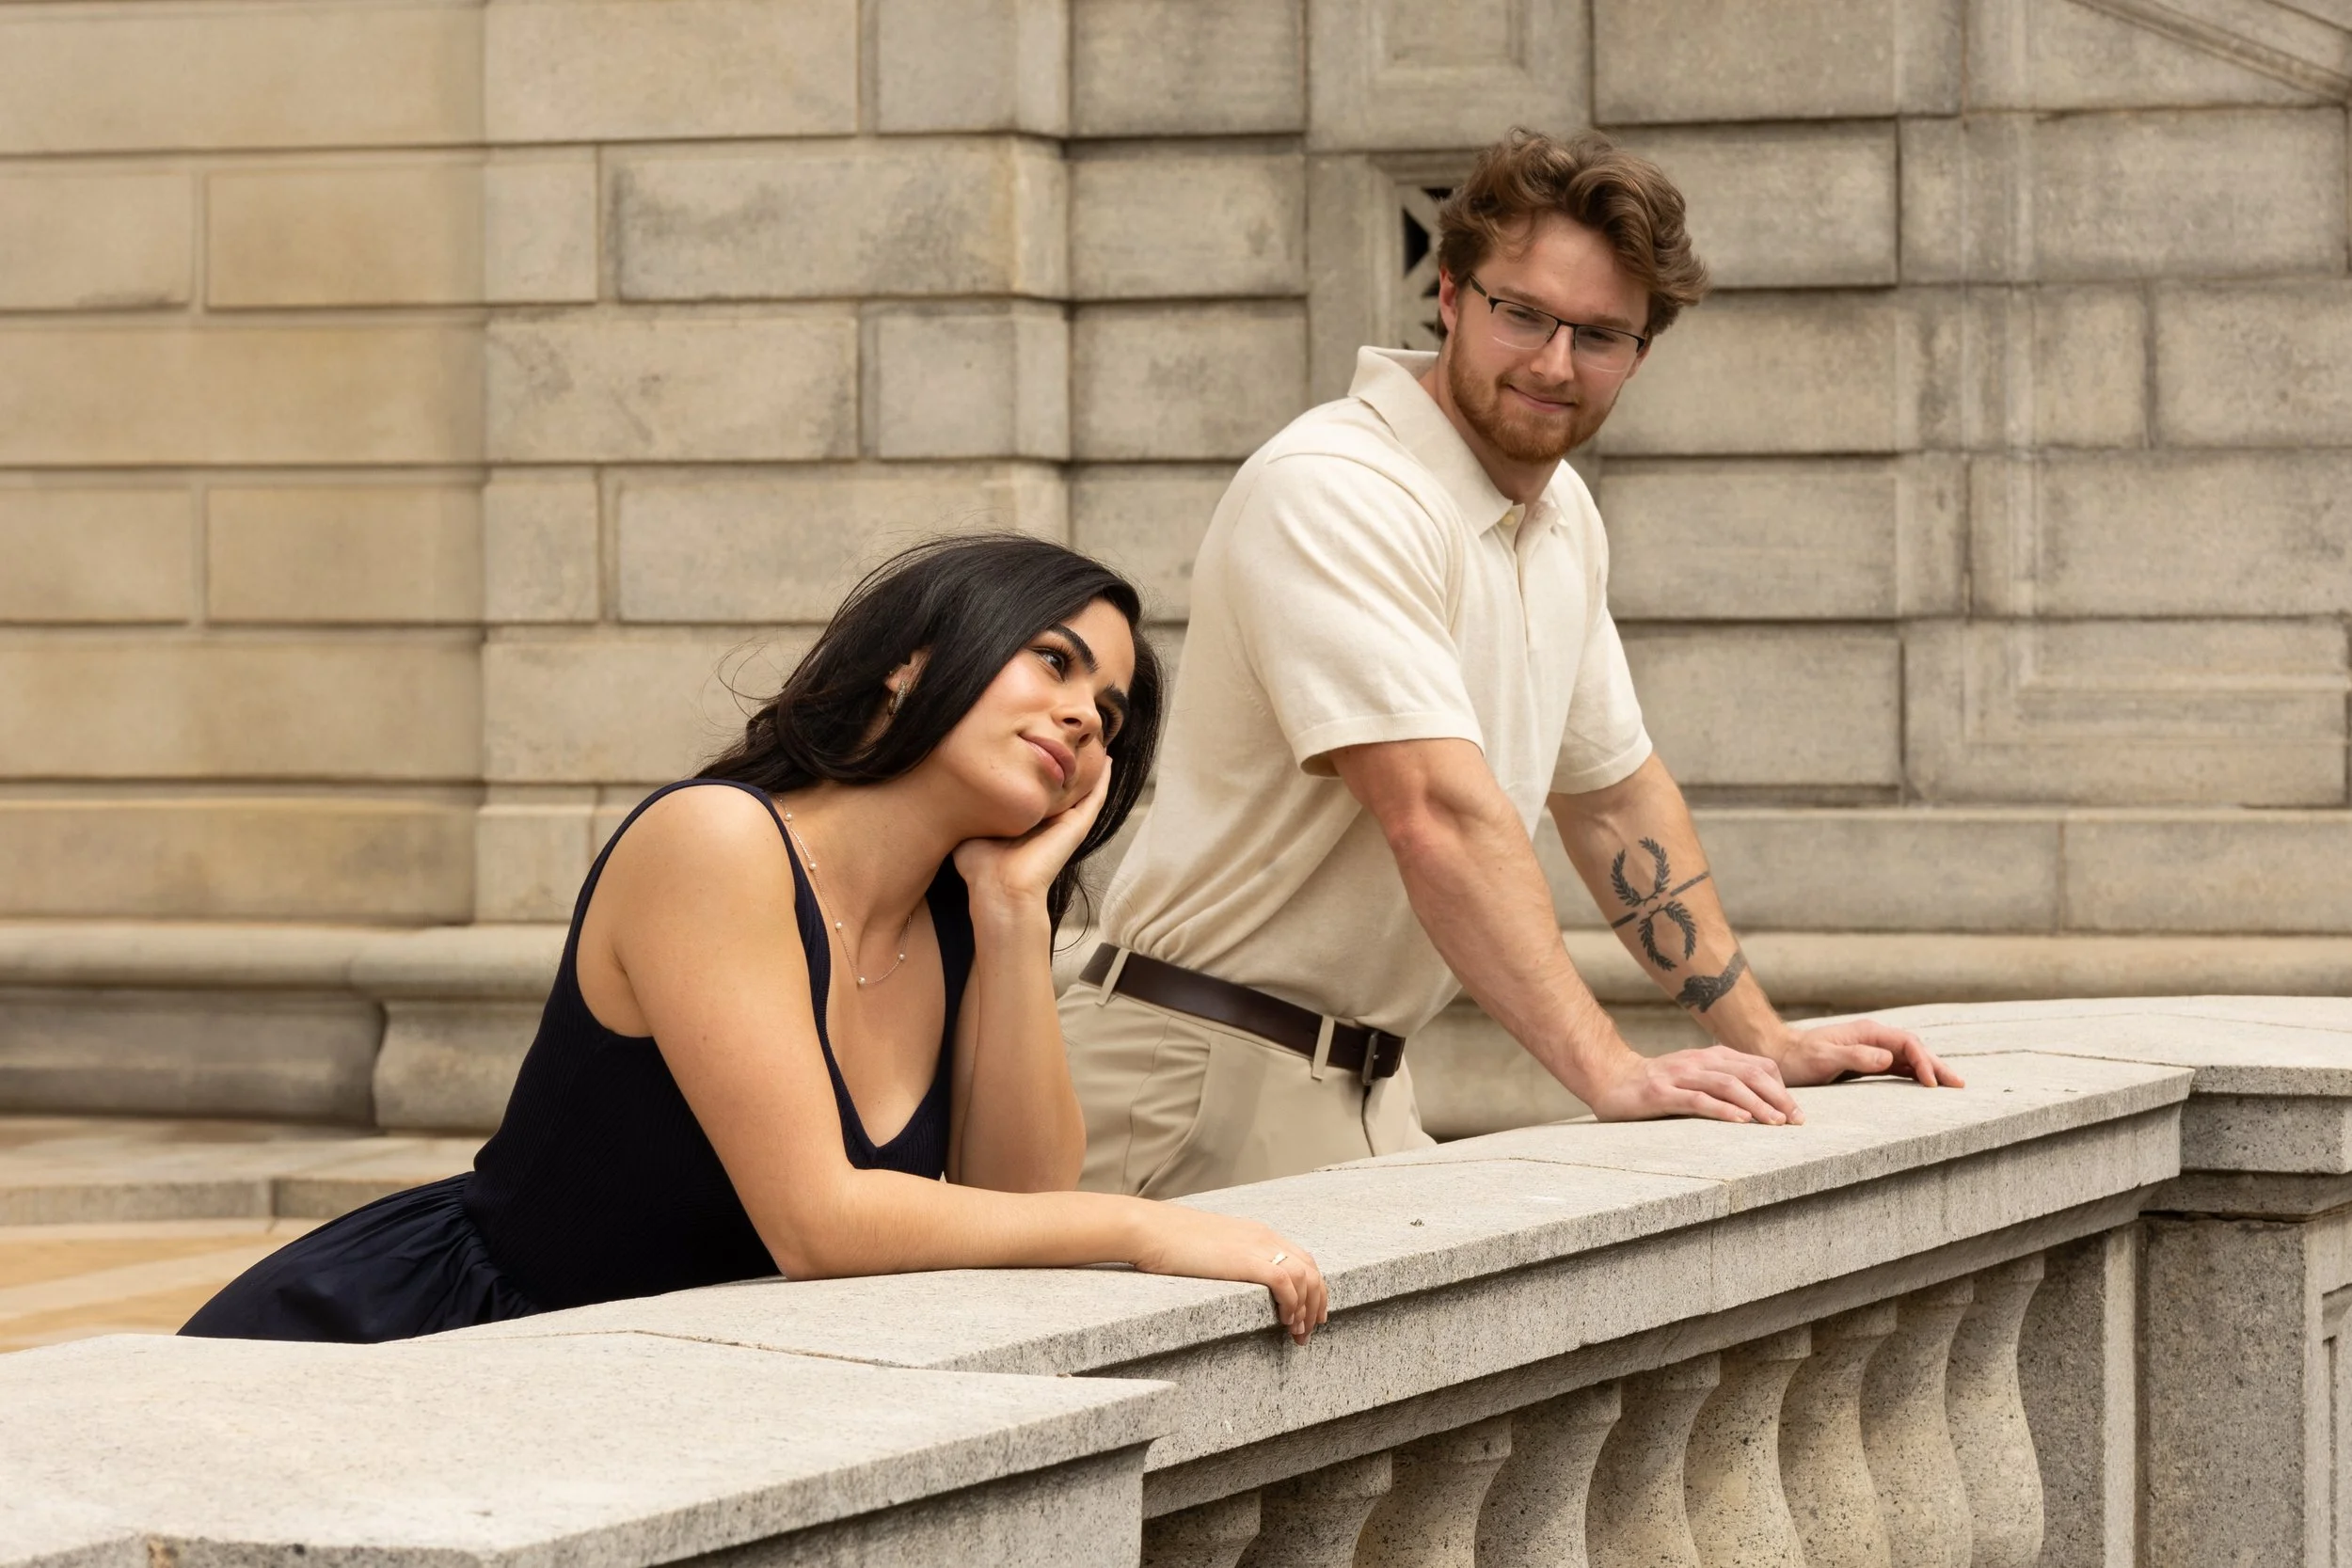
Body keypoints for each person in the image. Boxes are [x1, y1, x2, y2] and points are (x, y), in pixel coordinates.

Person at [1062, 128, 1961, 1200]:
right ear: (1448, 294)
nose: (1550, 361)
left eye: (1597, 334)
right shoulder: (1337, 487)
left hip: (1360, 1081)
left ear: (1640, 352)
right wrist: (1608, 1070)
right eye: (1521, 312)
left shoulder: (1558, 513)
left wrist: (1758, 1030)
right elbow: (1434, 812)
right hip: (1189, 1067)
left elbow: (1613, 795)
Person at [183, 536, 1327, 1345]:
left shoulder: (961, 917)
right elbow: (817, 1220)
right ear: (913, 662)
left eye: (1112, 715)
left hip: (650, 1385)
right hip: (429, 1352)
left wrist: (1014, 913)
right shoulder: (717, 842)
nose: (1086, 717)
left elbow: (1014, 1198)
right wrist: (1150, 1226)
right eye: (1055, 661)